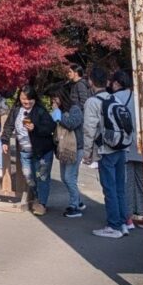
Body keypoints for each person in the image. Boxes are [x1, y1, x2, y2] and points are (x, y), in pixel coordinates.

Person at [82, 66, 133, 239]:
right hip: (121, 147)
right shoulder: (114, 99)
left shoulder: (93, 102)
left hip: (106, 150)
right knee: (120, 188)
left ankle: (114, 226)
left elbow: (89, 130)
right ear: (107, 82)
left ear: (90, 81)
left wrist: (87, 153)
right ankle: (124, 223)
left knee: (109, 189)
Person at [1, 85, 56, 215]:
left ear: (34, 98)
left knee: (42, 177)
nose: (26, 102)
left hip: (42, 150)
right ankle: (37, 198)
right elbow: (8, 125)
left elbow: (51, 127)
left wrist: (35, 128)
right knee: (29, 177)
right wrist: (5, 140)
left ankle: (41, 204)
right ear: (19, 98)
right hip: (25, 151)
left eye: (29, 99)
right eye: (23, 98)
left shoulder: (40, 111)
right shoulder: (16, 110)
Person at [54, 87, 85, 218]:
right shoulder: (59, 110)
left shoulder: (75, 109)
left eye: (55, 98)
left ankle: (74, 206)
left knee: (69, 177)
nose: (53, 101)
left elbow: (71, 124)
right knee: (64, 177)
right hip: (63, 148)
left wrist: (58, 115)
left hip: (75, 148)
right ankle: (77, 201)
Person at [120, 72, 143, 228]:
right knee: (142, 182)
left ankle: (128, 216)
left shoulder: (119, 98)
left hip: (127, 146)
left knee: (127, 183)